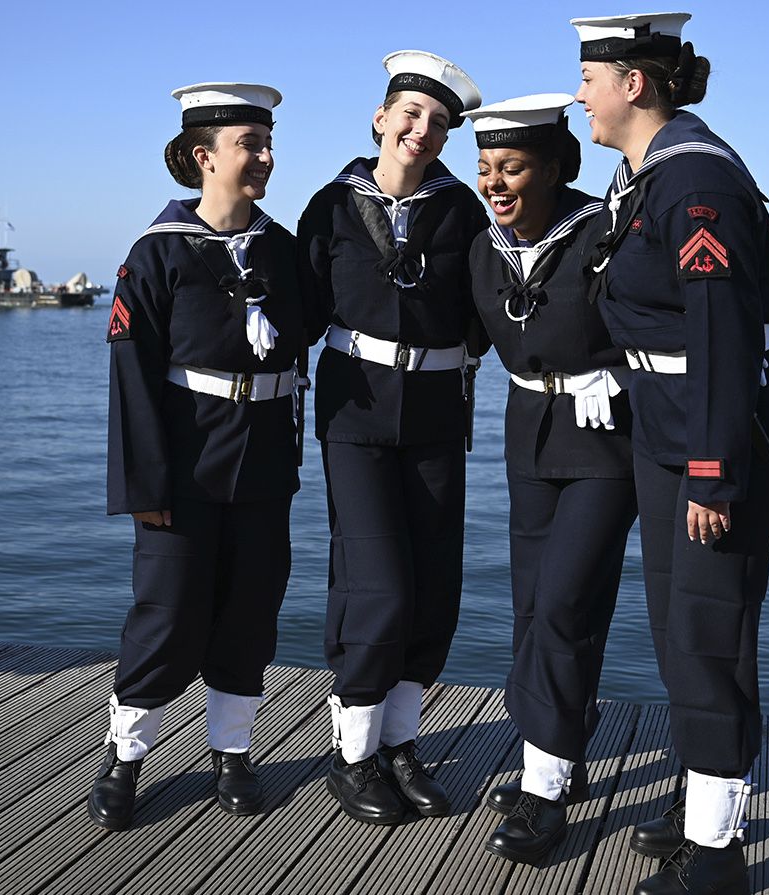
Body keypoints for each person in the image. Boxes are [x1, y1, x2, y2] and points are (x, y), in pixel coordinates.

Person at [572, 12, 769, 895]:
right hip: (670, 427)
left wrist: (713, 466)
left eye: (589, 78)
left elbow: (718, 328)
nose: (580, 94)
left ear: (634, 83)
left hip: (717, 436)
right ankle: (699, 801)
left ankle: (717, 860)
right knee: (681, 634)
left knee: (708, 635)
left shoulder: (694, 183)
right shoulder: (643, 177)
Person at [91, 82, 318, 831]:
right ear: (202, 157)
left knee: (250, 613)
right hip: (182, 473)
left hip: (262, 467)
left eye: (267, 142)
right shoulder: (155, 256)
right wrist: (144, 484)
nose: (265, 157)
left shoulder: (283, 252)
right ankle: (126, 755)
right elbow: (132, 375)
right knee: (167, 616)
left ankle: (232, 752)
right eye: (249, 144)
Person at [296, 50, 488, 826]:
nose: (423, 129)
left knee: (435, 581)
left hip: (440, 409)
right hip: (357, 412)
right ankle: (353, 753)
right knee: (376, 583)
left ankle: (401, 743)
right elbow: (295, 313)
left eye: (439, 123)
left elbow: (497, 304)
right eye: (410, 114)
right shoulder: (332, 208)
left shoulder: (464, 212)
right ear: (380, 118)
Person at [459, 93, 632, 864]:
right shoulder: (481, 248)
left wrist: (617, 370)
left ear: (557, 168)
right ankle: (564, 746)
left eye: (514, 167)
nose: (496, 183)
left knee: (565, 602)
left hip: (605, 439)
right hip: (529, 439)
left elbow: (671, 315)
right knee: (536, 607)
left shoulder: (607, 233)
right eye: (487, 167)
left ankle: (545, 788)